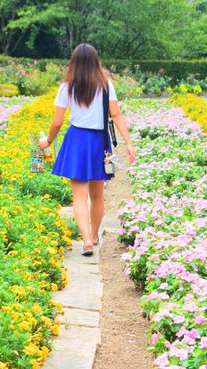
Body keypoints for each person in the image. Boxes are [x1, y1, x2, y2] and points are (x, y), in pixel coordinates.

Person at [39, 43, 136, 256]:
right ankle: (93, 235)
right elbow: (116, 115)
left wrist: (48, 141)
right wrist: (128, 142)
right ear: (95, 61)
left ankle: (86, 241)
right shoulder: (106, 85)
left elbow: (57, 122)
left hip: (76, 141)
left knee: (79, 196)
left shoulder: (67, 87)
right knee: (98, 195)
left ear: (73, 62)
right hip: (99, 143)